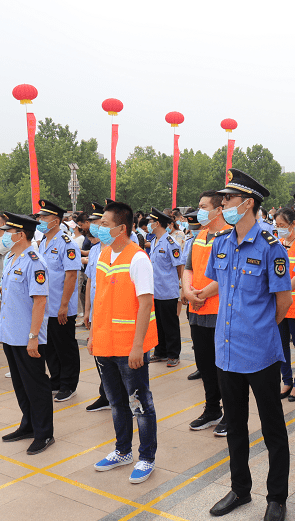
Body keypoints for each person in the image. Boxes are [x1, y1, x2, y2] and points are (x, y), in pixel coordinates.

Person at [205, 169, 292, 521]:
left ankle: (277, 497)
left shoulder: (271, 247)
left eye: (228, 199)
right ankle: (240, 489)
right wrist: (198, 294)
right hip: (227, 352)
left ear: (248, 203)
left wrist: (259, 328)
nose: (223, 204)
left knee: (273, 429)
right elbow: (221, 283)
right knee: (235, 427)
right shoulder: (221, 243)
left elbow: (283, 301)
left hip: (260, 354)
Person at [89, 200, 159, 484]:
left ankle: (147, 457)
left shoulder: (138, 259)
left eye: (104, 224)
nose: (99, 228)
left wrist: (138, 346)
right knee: (116, 402)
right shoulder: (104, 254)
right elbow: (100, 298)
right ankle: (122, 451)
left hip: (129, 347)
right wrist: (93, 336)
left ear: (121, 228)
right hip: (105, 343)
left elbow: (145, 304)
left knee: (140, 403)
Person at [0, 212, 54, 454]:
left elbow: (40, 301)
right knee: (20, 384)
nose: (4, 235)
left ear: (20, 235)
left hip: (27, 335)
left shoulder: (34, 262)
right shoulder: (12, 257)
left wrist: (33, 338)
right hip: (11, 333)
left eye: (8, 232)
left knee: (36, 385)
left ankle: (44, 433)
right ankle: (28, 425)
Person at [183, 191, 231, 434]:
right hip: (196, 310)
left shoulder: (230, 236)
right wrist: (188, 292)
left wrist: (201, 294)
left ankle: (230, 414)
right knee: (204, 364)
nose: (199, 211)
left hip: (219, 311)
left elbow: (227, 274)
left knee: (223, 367)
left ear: (218, 209)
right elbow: (188, 269)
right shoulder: (200, 236)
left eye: (203, 206)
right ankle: (212, 409)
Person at [34, 200, 82, 402]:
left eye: (44, 217)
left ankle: (68, 384)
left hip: (61, 305)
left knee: (65, 347)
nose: (40, 220)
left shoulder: (67, 243)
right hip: (46, 306)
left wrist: (64, 305)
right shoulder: (43, 242)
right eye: (39, 217)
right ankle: (56, 380)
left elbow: (71, 275)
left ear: (56, 220)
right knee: (50, 347)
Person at [82, 203, 112, 413]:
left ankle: (119, 396)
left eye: (98, 222)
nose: (94, 226)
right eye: (92, 222)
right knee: (99, 355)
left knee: (114, 358)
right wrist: (87, 311)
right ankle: (106, 394)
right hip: (96, 312)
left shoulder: (117, 251)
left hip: (111, 312)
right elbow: (90, 282)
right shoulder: (94, 250)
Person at [274, 207, 295, 404]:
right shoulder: (276, 243)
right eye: (277, 225)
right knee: (281, 344)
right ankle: (286, 380)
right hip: (279, 304)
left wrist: (284, 290)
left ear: (293, 224)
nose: (279, 229)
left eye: (282, 225)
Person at [146, 208, 184, 367]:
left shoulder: (171, 243)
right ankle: (160, 352)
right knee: (158, 324)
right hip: (155, 291)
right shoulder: (154, 241)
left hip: (168, 291)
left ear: (157, 223)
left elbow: (179, 266)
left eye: (151, 222)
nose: (148, 224)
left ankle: (173, 354)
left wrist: (178, 284)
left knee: (170, 324)